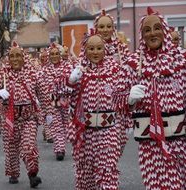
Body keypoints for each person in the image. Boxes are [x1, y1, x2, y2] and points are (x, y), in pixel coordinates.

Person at [113, 7, 186, 189]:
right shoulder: (132, 63)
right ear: (142, 35)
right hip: (149, 143)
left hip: (180, 141)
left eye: (156, 28)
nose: (152, 33)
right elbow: (115, 99)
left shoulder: (181, 60)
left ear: (165, 30)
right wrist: (128, 98)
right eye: (147, 30)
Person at [67, 29, 121, 190]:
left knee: (107, 172)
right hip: (85, 131)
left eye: (99, 48)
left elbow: (123, 96)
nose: (95, 52)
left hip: (108, 130)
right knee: (86, 176)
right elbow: (58, 97)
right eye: (91, 48)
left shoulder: (115, 70)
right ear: (85, 50)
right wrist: (69, 81)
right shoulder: (79, 71)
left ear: (105, 50)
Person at [0, 41, 42, 188]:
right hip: (10, 118)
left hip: (29, 118)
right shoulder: (2, 74)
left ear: (24, 57)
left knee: (28, 146)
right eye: (12, 56)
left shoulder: (33, 73)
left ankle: (32, 173)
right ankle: (13, 173)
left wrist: (47, 114)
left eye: (18, 56)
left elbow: (44, 94)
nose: (14, 59)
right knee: (11, 148)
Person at [94, 9, 132, 154]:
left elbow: (129, 71)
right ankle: (106, 170)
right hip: (98, 101)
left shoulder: (121, 48)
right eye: (102, 26)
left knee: (120, 142)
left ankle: (110, 167)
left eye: (108, 26)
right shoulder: (90, 48)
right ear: (96, 28)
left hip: (119, 101)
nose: (105, 30)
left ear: (113, 28)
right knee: (104, 144)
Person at [38, 43, 73, 161]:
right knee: (56, 124)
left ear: (60, 54)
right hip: (52, 100)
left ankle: (66, 144)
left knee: (66, 124)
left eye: (56, 54)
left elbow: (73, 82)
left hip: (66, 98)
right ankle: (60, 149)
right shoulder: (44, 70)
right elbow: (37, 83)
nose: (54, 56)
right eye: (52, 54)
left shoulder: (67, 66)